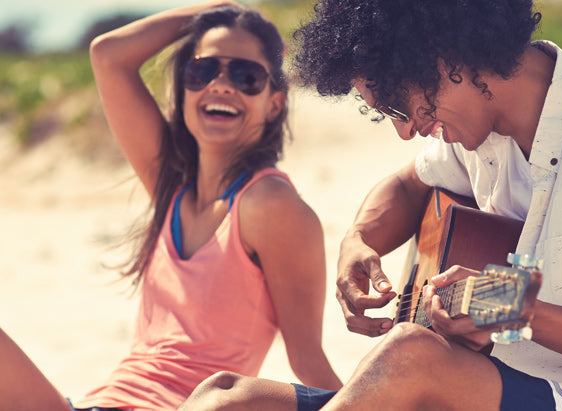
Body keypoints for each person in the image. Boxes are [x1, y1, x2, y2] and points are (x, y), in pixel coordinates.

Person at [178, 0, 562, 410]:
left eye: (398, 105)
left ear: (447, 52)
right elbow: (407, 184)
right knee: (226, 397)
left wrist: (508, 305)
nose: (404, 131)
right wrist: (358, 240)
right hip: (469, 384)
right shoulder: (474, 128)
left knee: (410, 352)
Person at [0, 2, 342, 410]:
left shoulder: (268, 205)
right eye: (203, 70)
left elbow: (308, 361)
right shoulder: (172, 189)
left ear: (274, 103)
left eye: (246, 76)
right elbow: (107, 56)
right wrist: (217, 10)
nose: (221, 84)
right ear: (182, 90)